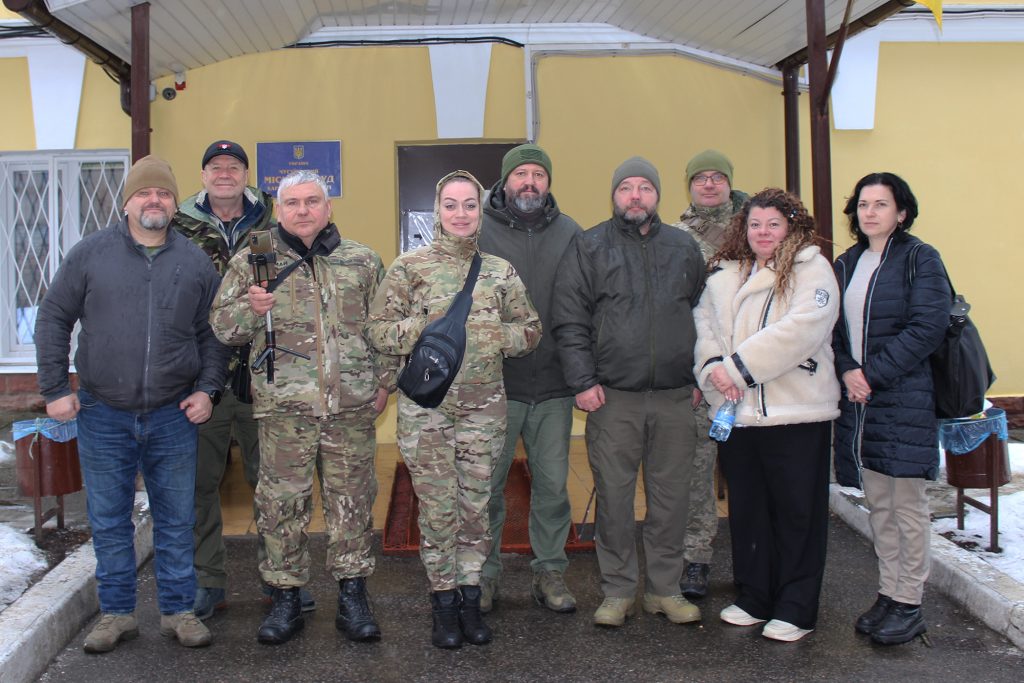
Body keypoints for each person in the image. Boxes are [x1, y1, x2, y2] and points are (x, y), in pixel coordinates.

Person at [34, 155, 229, 653]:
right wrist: (55, 389)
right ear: (127, 202)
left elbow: (214, 335)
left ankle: (178, 610)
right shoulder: (91, 254)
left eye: (163, 193)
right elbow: (54, 318)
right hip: (103, 414)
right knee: (108, 518)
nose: (154, 201)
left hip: (172, 415)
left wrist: (207, 389)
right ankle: (116, 614)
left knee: (176, 517)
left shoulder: (193, 261)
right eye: (144, 193)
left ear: (174, 203)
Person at [210, 170, 395, 645]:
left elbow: (385, 330)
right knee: (281, 505)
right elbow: (223, 328)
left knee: (351, 504)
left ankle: (353, 597)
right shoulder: (254, 261)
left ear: (329, 207)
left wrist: (385, 383)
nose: (304, 210)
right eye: (293, 203)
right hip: (284, 411)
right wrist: (251, 308)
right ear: (279, 210)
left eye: (313, 201)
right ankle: (286, 597)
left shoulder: (361, 261)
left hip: (349, 408)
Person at [368, 170, 541, 649]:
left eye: (469, 205)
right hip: (429, 411)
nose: (461, 214)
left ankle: (470, 599)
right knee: (438, 510)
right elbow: (378, 331)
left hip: (484, 412)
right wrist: (422, 328)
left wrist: (494, 336)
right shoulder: (409, 268)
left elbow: (530, 331)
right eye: (451, 205)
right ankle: (442, 603)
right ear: (437, 210)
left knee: (476, 508)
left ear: (480, 210)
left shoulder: (500, 271)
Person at [553, 156, 705, 628]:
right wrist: (583, 381)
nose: (635, 196)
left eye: (644, 188)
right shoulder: (590, 246)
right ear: (614, 196)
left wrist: (700, 375)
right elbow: (569, 317)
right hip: (612, 397)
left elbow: (706, 316)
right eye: (626, 189)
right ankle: (618, 590)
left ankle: (665, 589)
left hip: (676, 398)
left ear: (658, 195)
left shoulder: (683, 247)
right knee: (615, 499)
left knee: (671, 498)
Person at [171, 140, 316, 620]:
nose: (225, 174)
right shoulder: (178, 227)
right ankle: (207, 581)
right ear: (204, 175)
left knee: (273, 486)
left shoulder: (274, 221)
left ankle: (279, 581)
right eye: (216, 167)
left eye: (234, 167)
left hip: (266, 376)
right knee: (199, 485)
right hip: (199, 377)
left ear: (246, 174)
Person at [693, 188, 840, 642]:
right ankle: (755, 595)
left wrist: (736, 368)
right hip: (739, 416)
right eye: (755, 224)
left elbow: (800, 331)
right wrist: (713, 368)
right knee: (749, 510)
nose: (763, 232)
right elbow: (705, 325)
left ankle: (796, 606)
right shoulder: (726, 274)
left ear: (791, 227)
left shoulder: (811, 268)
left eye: (773, 224)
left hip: (795, 413)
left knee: (797, 512)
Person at [832, 172, 950, 646]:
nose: (870, 212)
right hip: (861, 402)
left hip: (903, 398)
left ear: (902, 212)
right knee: (878, 502)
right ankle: (888, 592)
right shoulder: (848, 263)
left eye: (881, 204)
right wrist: (846, 371)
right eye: (863, 204)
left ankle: (910, 602)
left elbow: (928, 327)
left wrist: (870, 375)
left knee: (906, 505)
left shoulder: (921, 259)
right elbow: (834, 331)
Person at [477, 144, 583, 614]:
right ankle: (483, 576)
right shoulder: (478, 231)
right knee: (486, 487)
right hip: (493, 386)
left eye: (538, 174)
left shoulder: (571, 234)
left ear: (549, 182)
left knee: (553, 487)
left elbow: (586, 305)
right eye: (521, 173)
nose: (530, 183)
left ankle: (550, 573)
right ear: (504, 181)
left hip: (554, 386)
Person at [672, 149, 749, 600]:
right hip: (704, 376)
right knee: (697, 472)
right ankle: (696, 558)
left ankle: (754, 558)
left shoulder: (758, 229)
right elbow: (681, 310)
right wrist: (693, 375)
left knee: (751, 475)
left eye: (717, 177)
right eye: (699, 177)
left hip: (757, 376)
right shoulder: (679, 238)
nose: (708, 184)